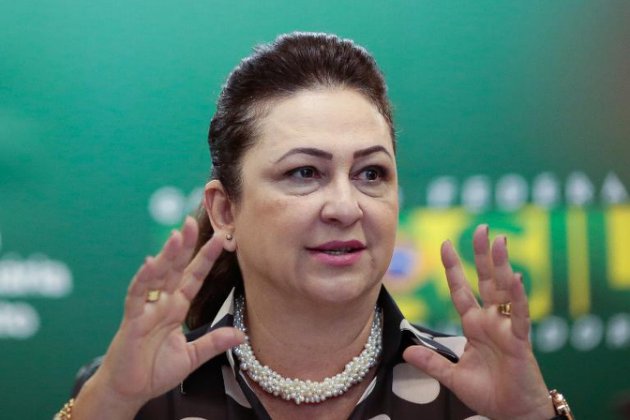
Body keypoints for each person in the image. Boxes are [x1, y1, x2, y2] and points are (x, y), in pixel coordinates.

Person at [56, 32, 574, 419]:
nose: (345, 207)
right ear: (225, 212)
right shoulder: (137, 393)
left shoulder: (472, 387)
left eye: (371, 173)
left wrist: (532, 416)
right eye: (305, 173)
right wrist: (111, 405)